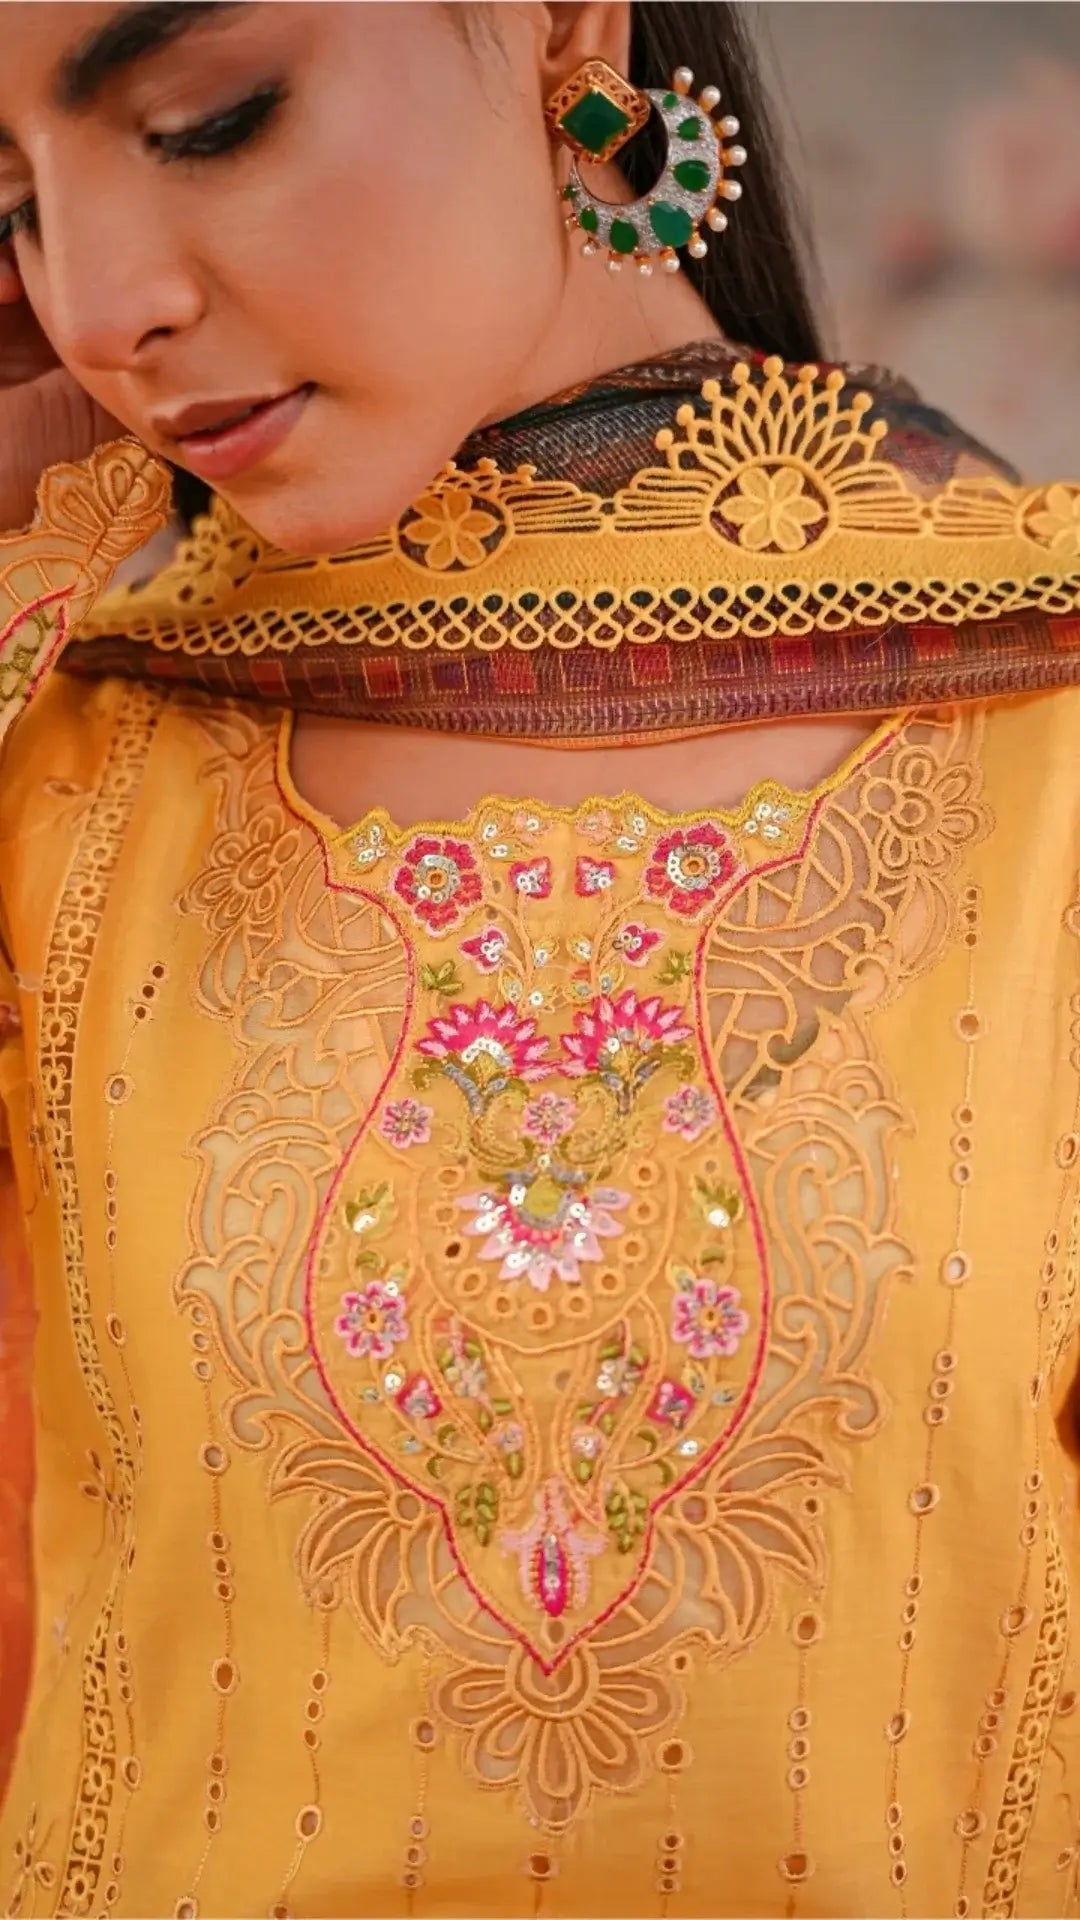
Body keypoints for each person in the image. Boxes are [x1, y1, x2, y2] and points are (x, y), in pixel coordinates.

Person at [0, 3, 1078, 1914]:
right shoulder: (57, 765)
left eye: (207, 116)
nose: (96, 301)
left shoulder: (1049, 725)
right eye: (5, 203)